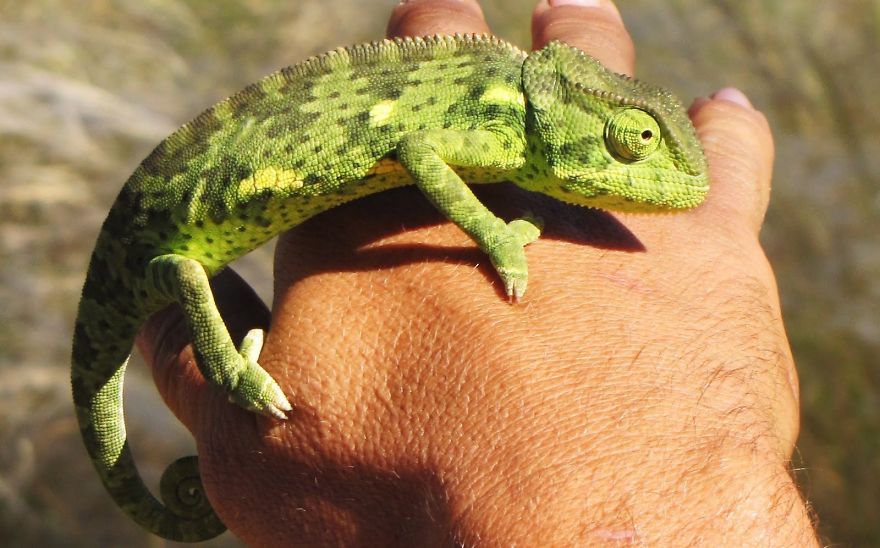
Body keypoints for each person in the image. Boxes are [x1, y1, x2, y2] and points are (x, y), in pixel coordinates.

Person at [137, 0, 818, 544]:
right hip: (201, 206)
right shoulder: (505, 128)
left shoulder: (522, 129)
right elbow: (417, 147)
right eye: (631, 144)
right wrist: (494, 232)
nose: (650, 174)